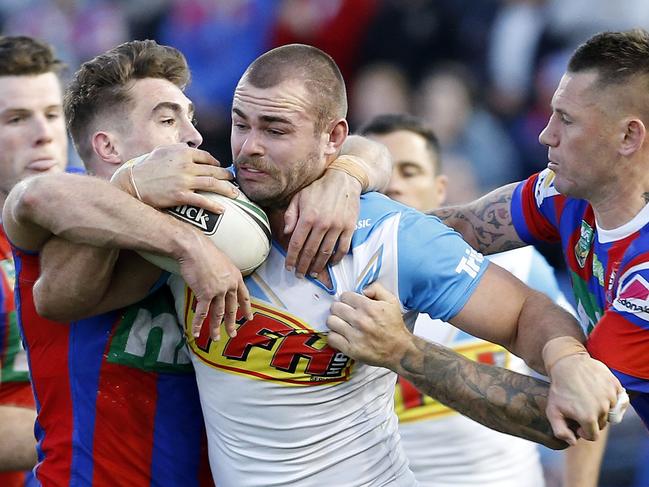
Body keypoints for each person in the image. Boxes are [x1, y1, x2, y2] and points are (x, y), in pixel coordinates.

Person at [163, 44, 618, 485]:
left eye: (276, 130)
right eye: (241, 125)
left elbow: (526, 316)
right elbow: (93, 209)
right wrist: (136, 190)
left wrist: (567, 360)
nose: (249, 148)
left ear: (333, 139)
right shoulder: (199, 216)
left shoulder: (388, 234)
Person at [2, 39, 389, 485]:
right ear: (108, 146)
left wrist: (346, 174)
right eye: (168, 119)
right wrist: (178, 235)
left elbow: (371, 148)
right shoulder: (63, 228)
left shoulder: (226, 217)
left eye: (188, 116)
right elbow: (37, 198)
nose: (194, 135)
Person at [357, 113, 607, 487]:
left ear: (440, 187)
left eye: (409, 171)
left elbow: (587, 390)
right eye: (380, 176)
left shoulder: (514, 266)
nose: (394, 187)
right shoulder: (335, 278)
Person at [421, 29, 649, 431]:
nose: (547, 135)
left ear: (628, 136)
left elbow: (566, 418)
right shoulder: (568, 192)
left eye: (566, 119)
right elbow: (464, 226)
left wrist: (399, 350)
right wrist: (353, 177)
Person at [0, 35, 68, 486]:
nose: (43, 133)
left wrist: (334, 177)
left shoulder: (108, 210)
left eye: (52, 114)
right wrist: (88, 430)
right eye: (16, 118)